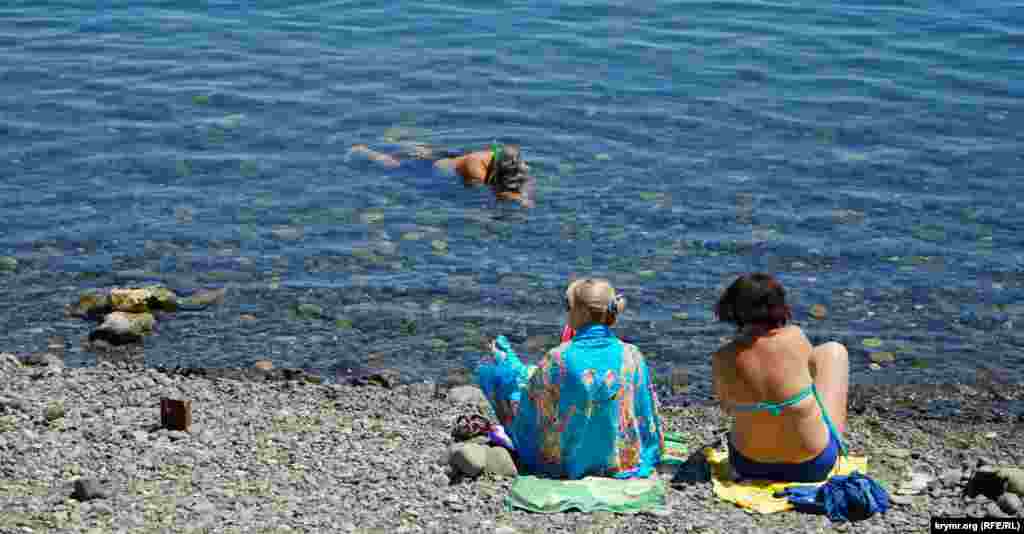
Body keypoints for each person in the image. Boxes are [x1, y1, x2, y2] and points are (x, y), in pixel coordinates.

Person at [475, 278, 665, 479]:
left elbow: (531, 409)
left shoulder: (559, 357)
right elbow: (644, 409)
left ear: (581, 313)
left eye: (568, 306)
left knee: (500, 376)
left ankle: (506, 362)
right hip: (623, 457)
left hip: (567, 461)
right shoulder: (632, 354)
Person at [711, 272, 850, 482]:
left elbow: (726, 407)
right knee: (833, 351)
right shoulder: (795, 336)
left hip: (749, 465)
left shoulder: (722, 357)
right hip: (813, 465)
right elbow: (808, 377)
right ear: (779, 306)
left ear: (732, 308)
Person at [348, 141, 535, 207]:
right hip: (433, 168)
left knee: (424, 152)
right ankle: (363, 150)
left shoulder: (503, 157)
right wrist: (519, 198)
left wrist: (526, 194)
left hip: (450, 158)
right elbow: (491, 193)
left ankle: (400, 143)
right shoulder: (475, 168)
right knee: (394, 164)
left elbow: (526, 177)